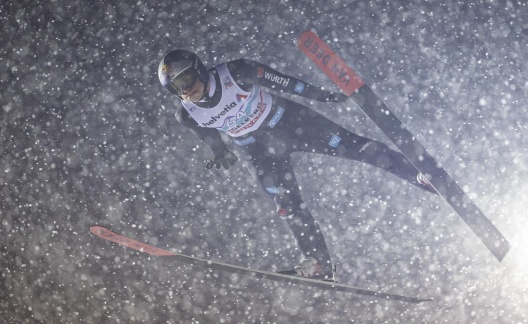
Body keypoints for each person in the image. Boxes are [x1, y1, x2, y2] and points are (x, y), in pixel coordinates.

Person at [157, 49, 435, 280]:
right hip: (257, 152)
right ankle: (319, 265)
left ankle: (420, 175)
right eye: (176, 88)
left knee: (357, 147)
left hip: (289, 123)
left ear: (200, 69)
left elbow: (287, 84)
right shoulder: (187, 115)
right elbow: (209, 137)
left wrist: (323, 95)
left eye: (188, 79)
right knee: (287, 205)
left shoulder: (237, 72)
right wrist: (220, 153)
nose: (186, 89)